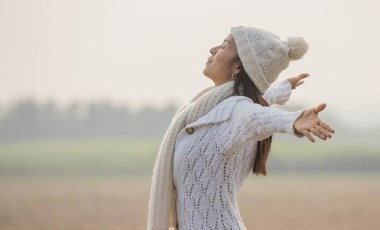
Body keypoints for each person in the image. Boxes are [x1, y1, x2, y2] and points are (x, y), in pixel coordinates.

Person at [147, 25, 335, 230]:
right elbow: (258, 100)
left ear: (238, 67)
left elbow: (255, 116)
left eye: (224, 47)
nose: (213, 49)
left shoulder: (237, 110)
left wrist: (293, 120)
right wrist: (282, 88)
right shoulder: (210, 107)